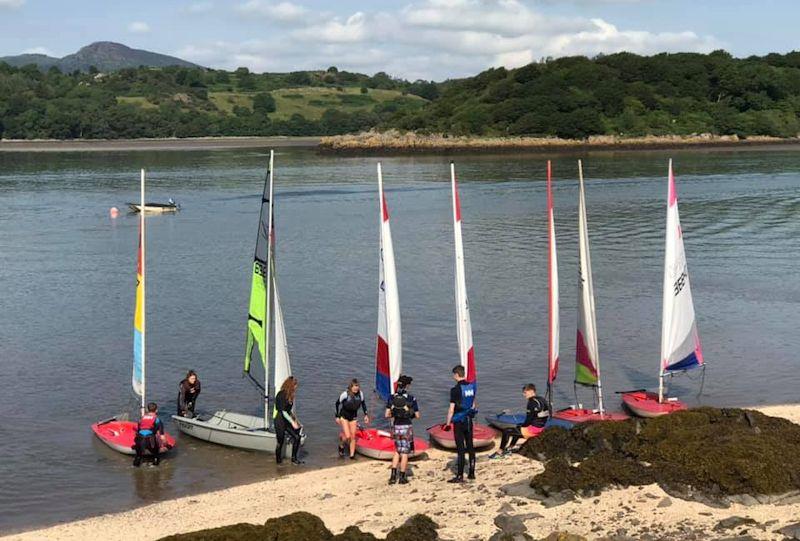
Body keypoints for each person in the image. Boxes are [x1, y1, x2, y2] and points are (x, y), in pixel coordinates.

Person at [489, 384, 549, 459]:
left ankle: (499, 452)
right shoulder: (542, 399)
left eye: (525, 392)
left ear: (531, 391)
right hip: (541, 427)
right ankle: (510, 448)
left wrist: (523, 426)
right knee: (517, 427)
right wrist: (522, 426)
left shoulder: (531, 402)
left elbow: (528, 420)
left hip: (533, 430)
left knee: (506, 431)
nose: (524, 394)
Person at [445, 365, 477, 483]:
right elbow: (473, 405)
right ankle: (472, 473)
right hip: (469, 419)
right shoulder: (472, 387)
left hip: (459, 421)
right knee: (470, 445)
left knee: (460, 448)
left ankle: (459, 476)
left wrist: (448, 423)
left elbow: (451, 409)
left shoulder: (455, 390)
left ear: (456, 375)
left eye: (454, 375)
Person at [385, 374, 419, 485]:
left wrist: (395, 413)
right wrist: (409, 413)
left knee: (397, 451)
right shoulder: (411, 398)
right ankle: (402, 477)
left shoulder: (391, 397)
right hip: (406, 426)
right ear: (407, 386)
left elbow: (387, 414)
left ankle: (393, 476)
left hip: (396, 426)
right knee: (404, 452)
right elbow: (417, 415)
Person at [335, 379, 370, 459]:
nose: (356, 388)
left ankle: (352, 456)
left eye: (357, 386)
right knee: (347, 436)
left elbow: (363, 404)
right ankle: (341, 446)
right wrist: (337, 416)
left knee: (353, 436)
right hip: (344, 416)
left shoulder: (360, 394)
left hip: (353, 417)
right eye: (354, 386)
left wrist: (366, 415)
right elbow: (337, 404)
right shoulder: (345, 394)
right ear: (351, 387)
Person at [274, 376, 303, 465]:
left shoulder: (290, 396)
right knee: (280, 442)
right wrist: (292, 422)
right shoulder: (281, 395)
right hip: (279, 420)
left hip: (286, 420)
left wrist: (296, 421)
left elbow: (288, 411)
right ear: (290, 386)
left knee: (297, 437)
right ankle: (278, 462)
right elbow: (283, 412)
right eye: (295, 386)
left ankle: (294, 459)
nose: (295, 388)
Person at [133, 402, 165, 467]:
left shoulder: (141, 419)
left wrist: (136, 444)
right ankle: (155, 469)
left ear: (147, 410)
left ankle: (135, 469)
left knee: (138, 456)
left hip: (140, 439)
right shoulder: (157, 420)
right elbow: (162, 437)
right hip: (150, 440)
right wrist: (166, 445)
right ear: (156, 410)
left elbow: (137, 432)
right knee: (156, 454)